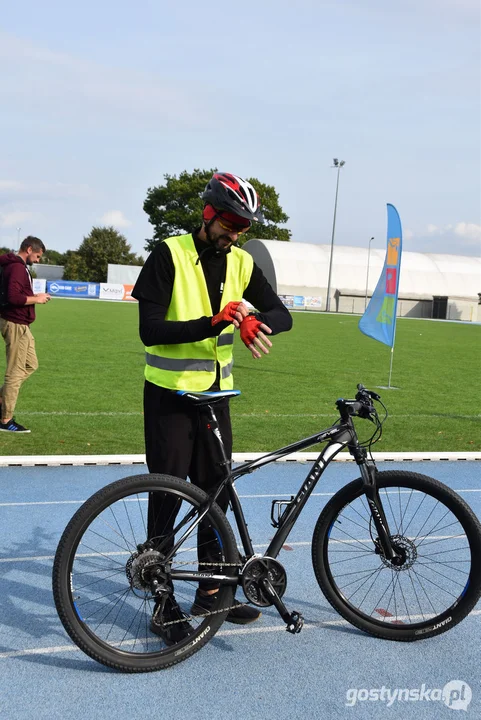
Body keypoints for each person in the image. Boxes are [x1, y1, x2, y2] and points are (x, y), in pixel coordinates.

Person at [132, 171, 292, 644]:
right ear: (207, 214)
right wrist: (212, 323)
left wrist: (255, 322)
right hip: (169, 395)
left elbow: (283, 315)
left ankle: (211, 591)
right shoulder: (168, 254)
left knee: (215, 494)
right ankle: (162, 602)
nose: (235, 233)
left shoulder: (242, 261)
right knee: (167, 495)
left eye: (243, 226)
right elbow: (150, 330)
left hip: (215, 397)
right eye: (228, 222)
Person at [0, 236, 51, 433]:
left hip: (21, 323)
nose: (38, 260)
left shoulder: (18, 266)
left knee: (31, 364)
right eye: (37, 256)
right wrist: (36, 299)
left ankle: (2, 399)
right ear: (29, 249)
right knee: (14, 372)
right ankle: (5, 420)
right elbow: (13, 297)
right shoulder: (16, 268)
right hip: (15, 323)